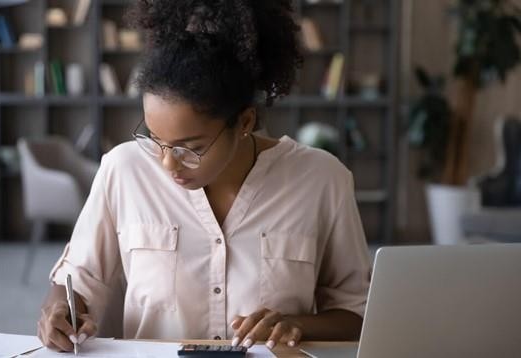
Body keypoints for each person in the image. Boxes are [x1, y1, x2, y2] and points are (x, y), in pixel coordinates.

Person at [37, 0, 371, 352]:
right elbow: (75, 281)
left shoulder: (322, 179)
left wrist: (297, 324)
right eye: (155, 139)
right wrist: (57, 308)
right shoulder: (124, 170)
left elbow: (357, 312)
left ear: (244, 123)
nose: (168, 164)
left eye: (189, 147)